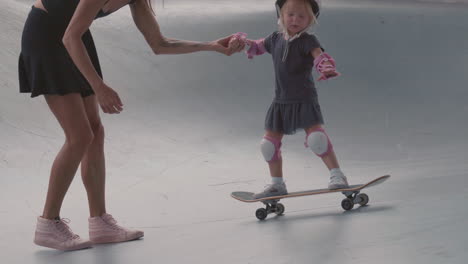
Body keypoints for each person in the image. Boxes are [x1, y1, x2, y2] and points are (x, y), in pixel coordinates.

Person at [18, 0, 245, 251]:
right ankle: (48, 223)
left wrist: (213, 46)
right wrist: (99, 87)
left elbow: (159, 44)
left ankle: (100, 222)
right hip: (49, 36)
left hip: (75, 38)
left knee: (95, 132)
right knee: (79, 136)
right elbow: (70, 37)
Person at [242, 0, 349, 199]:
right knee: (268, 145)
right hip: (280, 101)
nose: (295, 19)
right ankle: (277, 184)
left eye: (302, 16)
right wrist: (243, 43)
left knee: (317, 139)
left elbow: (319, 56)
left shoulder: (308, 40)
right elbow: (257, 46)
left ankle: (337, 175)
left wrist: (326, 67)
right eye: (290, 14)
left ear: (310, 20)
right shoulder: (274, 39)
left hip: (304, 99)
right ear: (281, 16)